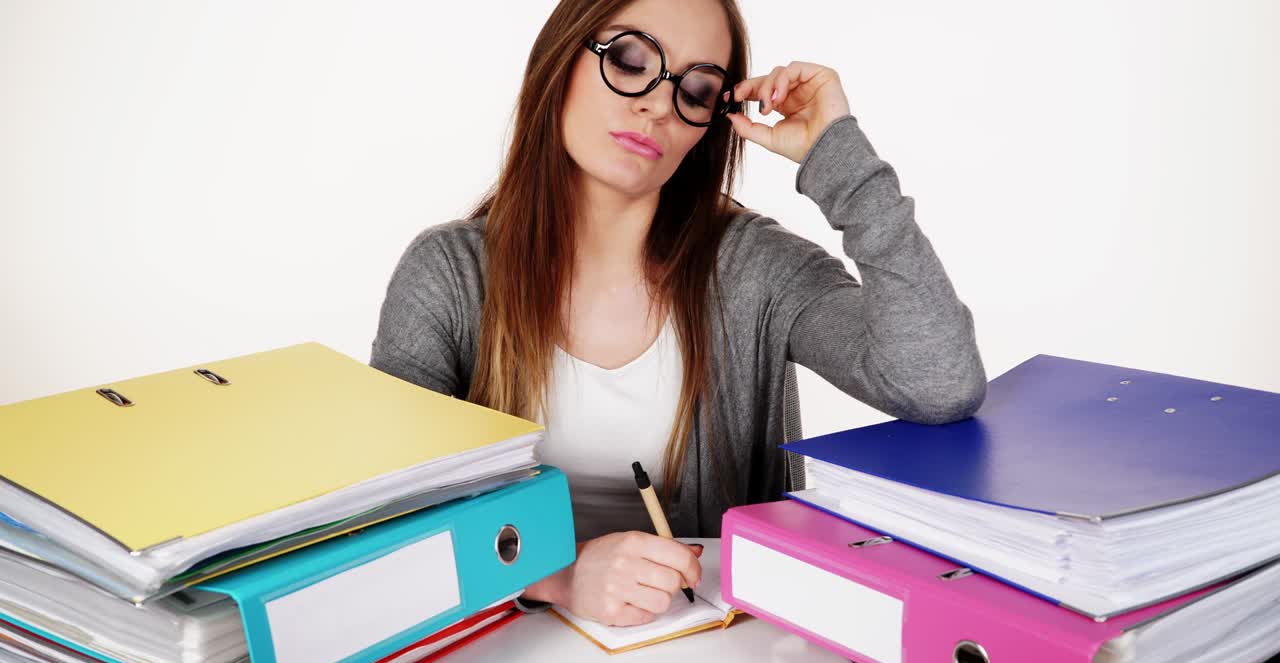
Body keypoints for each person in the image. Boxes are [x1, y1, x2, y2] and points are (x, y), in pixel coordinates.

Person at [370, 0, 986, 627]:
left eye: (696, 89)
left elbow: (937, 383)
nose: (659, 105)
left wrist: (839, 156)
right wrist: (554, 576)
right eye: (630, 59)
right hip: (498, 658)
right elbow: (384, 530)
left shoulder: (754, 268)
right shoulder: (446, 275)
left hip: (714, 657)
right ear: (561, 59)